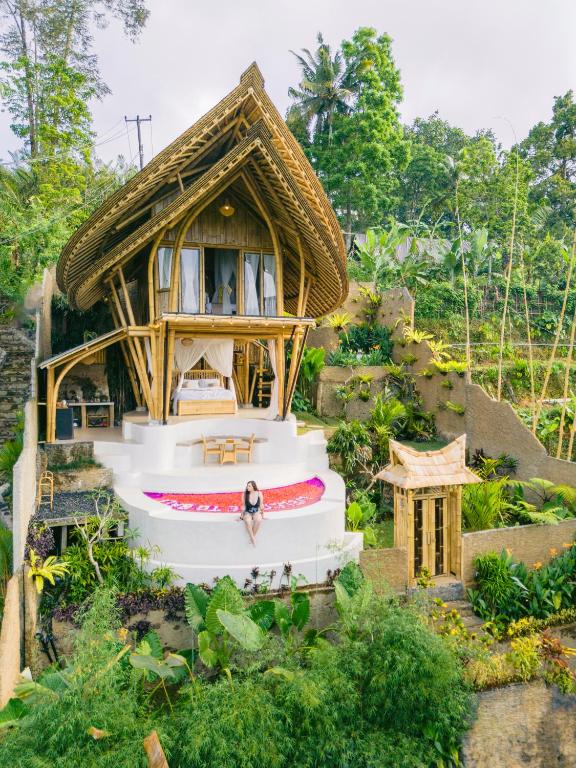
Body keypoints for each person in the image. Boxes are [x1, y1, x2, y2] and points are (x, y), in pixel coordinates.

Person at [239, 480, 264, 546]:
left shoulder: (259, 493)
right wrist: (241, 516)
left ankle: (252, 538)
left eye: (249, 486)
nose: (247, 487)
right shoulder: (244, 494)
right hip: (248, 511)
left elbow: (261, 505)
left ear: (253, 486)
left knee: (258, 520)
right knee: (247, 521)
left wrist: (263, 515)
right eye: (247, 486)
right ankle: (253, 538)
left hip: (256, 511)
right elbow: (243, 506)